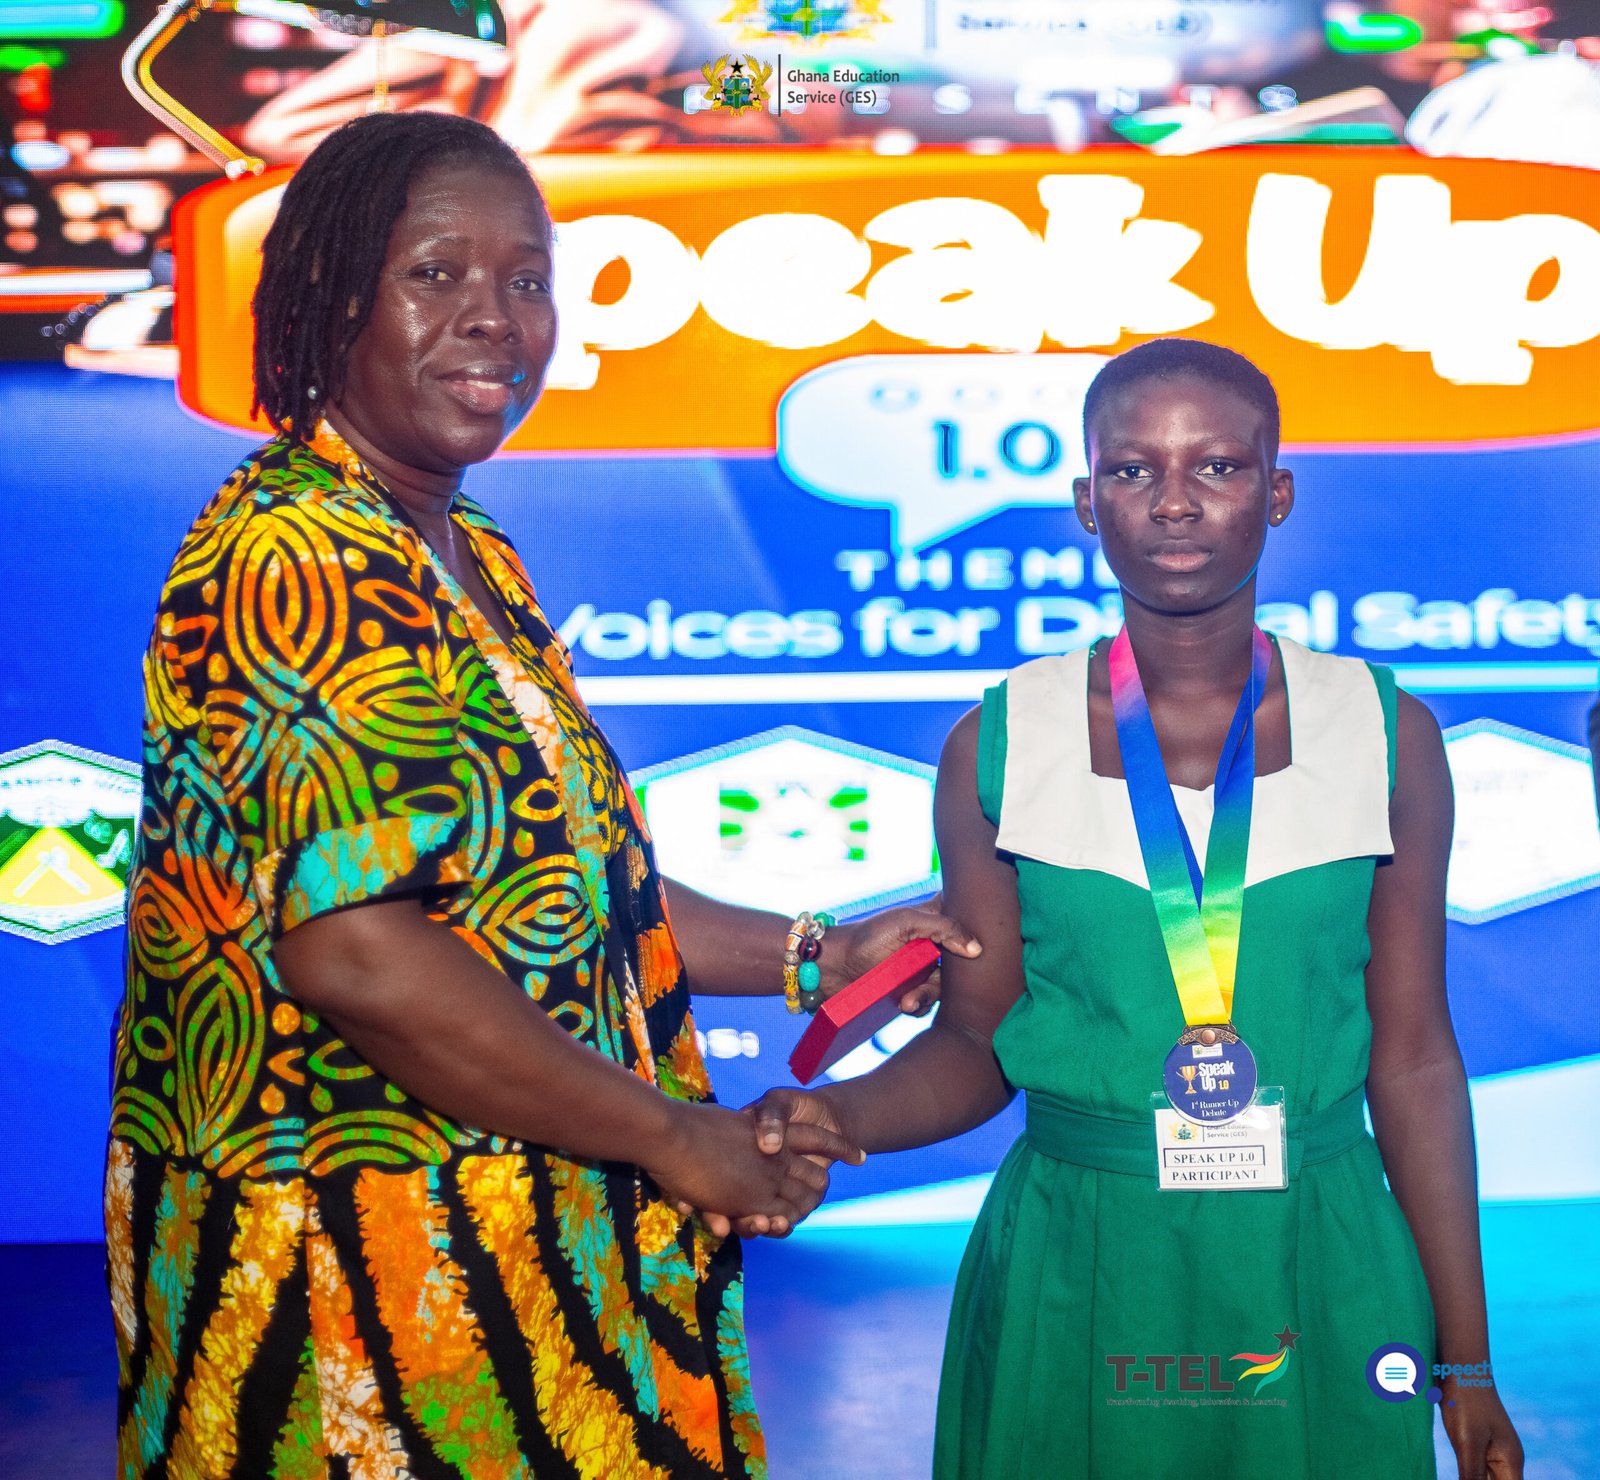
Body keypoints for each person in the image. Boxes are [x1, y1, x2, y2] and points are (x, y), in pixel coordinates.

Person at [104, 108, 976, 1477]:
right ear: (329, 293)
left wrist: (819, 953)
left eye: (526, 281)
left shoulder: (458, 545)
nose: (494, 318)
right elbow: (359, 950)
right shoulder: (299, 555)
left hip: (516, 1254)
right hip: (357, 1290)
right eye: (434, 273)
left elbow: (561, 885)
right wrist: (675, 1137)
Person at [749, 339, 1525, 1479]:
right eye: (1131, 470)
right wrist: (838, 1113)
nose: (1172, 501)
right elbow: (976, 1046)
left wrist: (1467, 1362)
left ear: (1277, 493)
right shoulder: (997, 745)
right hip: (1081, 1260)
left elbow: (1412, 1059)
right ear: (1085, 503)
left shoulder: (1384, 733)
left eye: (1217, 467)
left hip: (1320, 1253)